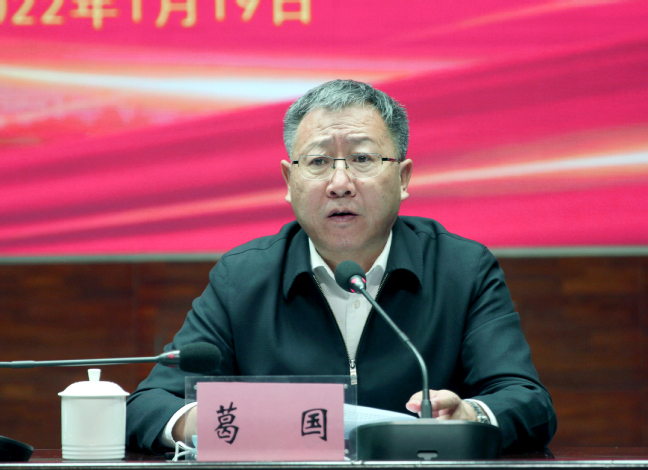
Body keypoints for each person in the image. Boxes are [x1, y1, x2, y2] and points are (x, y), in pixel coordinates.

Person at [126, 80, 557, 454]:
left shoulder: (461, 269)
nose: (339, 184)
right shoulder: (243, 278)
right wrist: (212, 421)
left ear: (403, 178)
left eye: (363, 159)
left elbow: (527, 401)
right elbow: (149, 405)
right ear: (289, 181)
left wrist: (470, 417)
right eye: (317, 163)